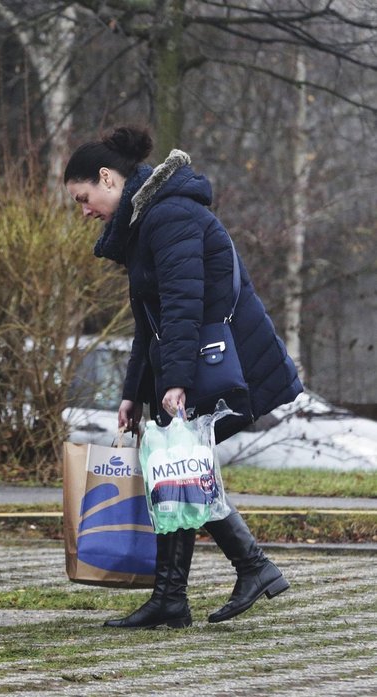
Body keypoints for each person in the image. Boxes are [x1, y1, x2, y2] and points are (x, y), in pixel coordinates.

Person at [63, 125, 303, 628]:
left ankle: (244, 570)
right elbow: (147, 323)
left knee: (180, 470)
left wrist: (174, 381)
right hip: (191, 363)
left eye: (84, 198)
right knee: (177, 470)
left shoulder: (170, 215)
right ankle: (183, 595)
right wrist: (132, 392)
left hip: (219, 367)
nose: (84, 211)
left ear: (108, 178)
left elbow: (182, 307)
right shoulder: (144, 223)